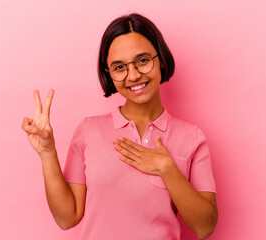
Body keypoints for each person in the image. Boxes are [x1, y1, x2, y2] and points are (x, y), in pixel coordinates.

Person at [22, 13, 218, 240]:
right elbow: (67, 218)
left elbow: (205, 227)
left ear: (161, 60)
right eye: (119, 67)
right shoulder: (89, 131)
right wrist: (47, 152)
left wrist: (166, 168)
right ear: (109, 73)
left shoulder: (192, 137)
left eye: (143, 60)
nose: (133, 75)